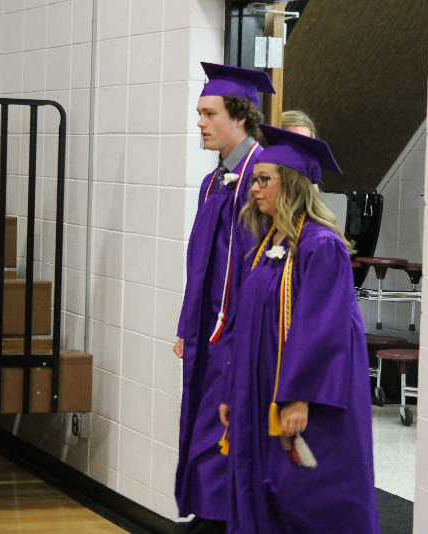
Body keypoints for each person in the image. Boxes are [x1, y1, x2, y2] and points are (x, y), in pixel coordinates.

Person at [219, 124, 379, 533]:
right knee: (263, 489)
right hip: (262, 395)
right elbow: (245, 325)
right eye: (254, 179)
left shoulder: (320, 247)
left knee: (310, 496)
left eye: (263, 180)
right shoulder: (268, 247)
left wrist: (298, 397)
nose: (254, 188)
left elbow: (321, 332)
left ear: (289, 185)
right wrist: (232, 391)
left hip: (307, 403)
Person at [174, 62, 275, 533]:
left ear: (240, 117)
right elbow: (199, 264)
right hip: (209, 333)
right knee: (202, 431)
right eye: (199, 112)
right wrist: (186, 326)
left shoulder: (266, 180)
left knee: (224, 439)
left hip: (240, 337)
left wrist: (241, 336)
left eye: (209, 113)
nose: (200, 122)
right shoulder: (214, 182)